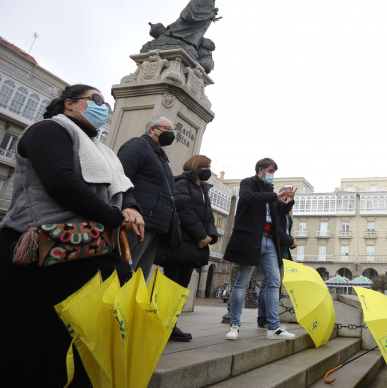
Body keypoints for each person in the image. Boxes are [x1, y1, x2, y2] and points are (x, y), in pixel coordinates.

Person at [0, 85, 144, 388]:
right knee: (23, 336)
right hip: (40, 246)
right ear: (69, 103)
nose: (104, 107)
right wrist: (114, 218)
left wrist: (132, 208)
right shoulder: (48, 129)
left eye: (107, 104)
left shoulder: (103, 150)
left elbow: (122, 185)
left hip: (87, 244)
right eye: (95, 100)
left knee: (66, 339)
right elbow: (61, 181)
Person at [224, 158, 296, 341]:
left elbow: (277, 212)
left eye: (274, 172)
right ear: (261, 170)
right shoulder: (248, 183)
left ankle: (273, 327)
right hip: (251, 240)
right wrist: (275, 196)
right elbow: (248, 198)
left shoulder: (270, 190)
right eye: (270, 171)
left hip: (269, 241)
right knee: (242, 282)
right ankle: (234, 325)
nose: (272, 175)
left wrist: (287, 201)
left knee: (273, 281)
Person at [160, 155, 219, 342]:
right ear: (197, 166)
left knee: (181, 286)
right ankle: (161, 324)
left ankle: (170, 325)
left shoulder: (203, 189)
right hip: (180, 242)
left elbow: (209, 215)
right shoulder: (181, 183)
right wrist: (201, 234)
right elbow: (182, 207)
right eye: (206, 166)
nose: (209, 169)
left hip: (194, 245)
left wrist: (211, 236)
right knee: (171, 285)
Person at [117, 115, 177, 278]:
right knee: (125, 274)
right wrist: (127, 207)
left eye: (173, 130)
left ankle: (130, 305)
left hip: (154, 226)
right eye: (167, 129)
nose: (172, 133)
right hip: (137, 223)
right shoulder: (138, 145)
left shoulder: (160, 156)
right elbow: (120, 177)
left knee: (139, 278)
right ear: (152, 129)